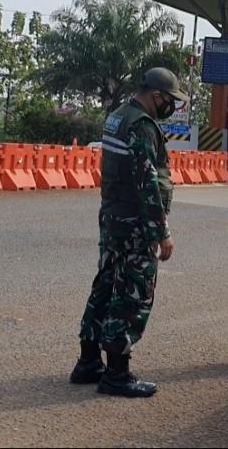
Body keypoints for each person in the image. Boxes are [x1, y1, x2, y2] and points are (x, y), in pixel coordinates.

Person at [70, 67, 189, 398]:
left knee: (105, 286)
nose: (172, 108)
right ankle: (117, 375)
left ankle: (89, 362)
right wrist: (161, 231)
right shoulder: (141, 125)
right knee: (132, 295)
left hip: (113, 217)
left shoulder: (118, 117)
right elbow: (146, 181)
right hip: (135, 224)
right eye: (171, 101)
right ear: (156, 96)